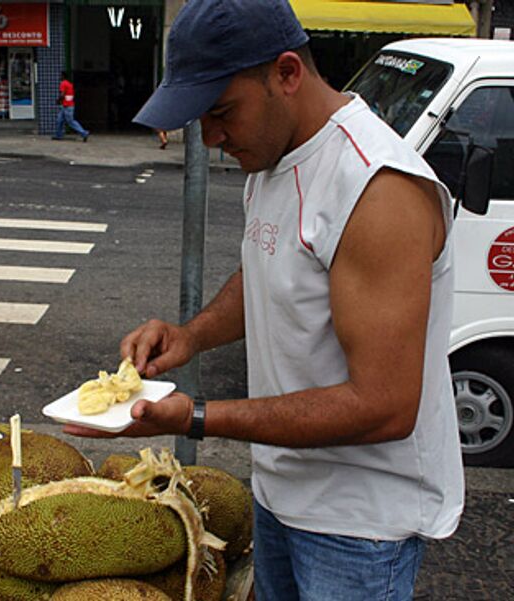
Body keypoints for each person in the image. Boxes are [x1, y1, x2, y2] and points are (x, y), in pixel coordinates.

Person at [63, 1, 464, 600]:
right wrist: (190, 335)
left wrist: (197, 417)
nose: (211, 138)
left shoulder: (377, 189)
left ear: (286, 74)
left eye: (222, 112)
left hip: (358, 524)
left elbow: (385, 405)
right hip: (280, 493)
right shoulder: (273, 159)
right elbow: (268, 272)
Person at [52, 71, 90, 142]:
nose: (59, 77)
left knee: (70, 122)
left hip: (67, 106)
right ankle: (58, 135)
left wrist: (58, 100)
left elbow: (62, 94)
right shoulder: (69, 84)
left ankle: (84, 133)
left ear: (63, 76)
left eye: (60, 76)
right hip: (67, 105)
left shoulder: (63, 83)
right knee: (59, 120)